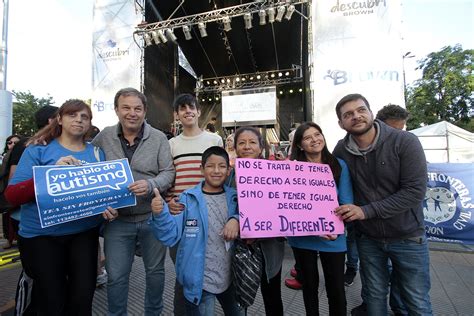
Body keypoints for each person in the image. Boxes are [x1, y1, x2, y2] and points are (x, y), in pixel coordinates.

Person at [4, 99, 118, 315]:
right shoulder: (38, 150)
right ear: (59, 119)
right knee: (50, 300)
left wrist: (109, 210)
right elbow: (13, 195)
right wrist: (50, 175)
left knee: (82, 299)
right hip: (41, 237)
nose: (79, 120)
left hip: (83, 235)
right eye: (73, 115)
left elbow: (102, 195)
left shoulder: (96, 154)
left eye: (84, 117)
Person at [333, 93, 432, 315]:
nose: (356, 117)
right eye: (348, 115)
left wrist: (365, 212)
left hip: (408, 237)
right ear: (341, 123)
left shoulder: (405, 141)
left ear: (370, 112)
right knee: (374, 298)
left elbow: (415, 192)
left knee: (416, 301)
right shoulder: (340, 151)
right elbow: (326, 186)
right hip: (368, 240)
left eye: (360, 110)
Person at [92, 87, 175, 315]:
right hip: (117, 223)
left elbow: (168, 173)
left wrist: (151, 185)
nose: (132, 113)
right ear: (116, 110)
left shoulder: (158, 138)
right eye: (126, 107)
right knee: (116, 277)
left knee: (156, 274)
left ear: (145, 111)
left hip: (151, 218)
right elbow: (91, 174)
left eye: (137, 108)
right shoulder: (103, 137)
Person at [149, 146, 241, 315]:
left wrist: (236, 219)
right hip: (200, 283)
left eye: (221, 166)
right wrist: (159, 213)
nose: (216, 171)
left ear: (229, 171)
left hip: (231, 279)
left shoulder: (236, 198)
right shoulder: (187, 199)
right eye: (210, 166)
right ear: (201, 169)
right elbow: (169, 236)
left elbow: (252, 217)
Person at [286, 122, 353, 316]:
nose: (315, 140)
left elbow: (346, 200)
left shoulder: (339, 165)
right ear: (299, 145)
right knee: (308, 288)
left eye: (317, 134)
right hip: (302, 237)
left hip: (333, 237)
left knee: (337, 290)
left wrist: (335, 225)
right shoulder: (291, 168)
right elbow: (287, 203)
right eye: (307, 137)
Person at [167, 93, 223, 316]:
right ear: (177, 115)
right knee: (183, 270)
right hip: (181, 214)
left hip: (209, 213)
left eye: (191, 107)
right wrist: (168, 201)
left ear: (199, 111)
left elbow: (221, 176)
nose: (188, 111)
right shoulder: (171, 144)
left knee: (206, 268)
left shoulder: (214, 140)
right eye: (182, 108)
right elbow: (168, 177)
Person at [226, 126, 285, 316]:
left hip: (270, 247)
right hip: (239, 247)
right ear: (235, 147)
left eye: (252, 142)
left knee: (272, 295)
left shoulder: (277, 173)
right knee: (238, 296)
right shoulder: (229, 177)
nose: (247, 147)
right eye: (241, 143)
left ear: (261, 147)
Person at [1, 134, 21, 249]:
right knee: (7, 216)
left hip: (16, 189)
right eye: (10, 142)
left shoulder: (23, 154)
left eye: (16, 143)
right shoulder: (5, 156)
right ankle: (9, 238)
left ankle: (17, 238)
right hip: (5, 188)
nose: (12, 145)